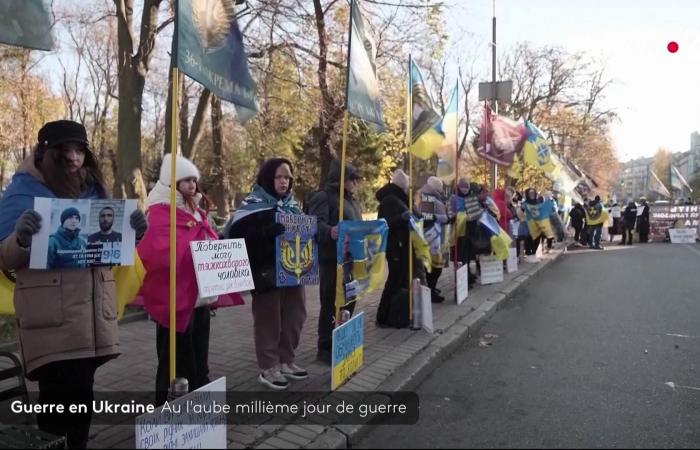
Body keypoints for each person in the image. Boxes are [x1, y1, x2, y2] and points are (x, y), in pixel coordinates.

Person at [0, 120, 147, 448]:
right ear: (45, 152)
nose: (73, 157)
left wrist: (132, 235)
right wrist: (20, 238)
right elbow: (6, 261)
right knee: (57, 404)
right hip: (52, 319)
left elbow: (105, 254)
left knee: (80, 399)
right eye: (64, 150)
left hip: (91, 317)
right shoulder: (22, 192)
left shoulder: (95, 190)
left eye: (79, 150)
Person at [139, 154, 240, 403]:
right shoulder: (160, 213)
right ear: (171, 183)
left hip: (199, 299)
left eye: (193, 180)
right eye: (185, 180)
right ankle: (168, 409)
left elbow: (206, 244)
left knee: (198, 355)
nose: (192, 185)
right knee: (174, 360)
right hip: (173, 301)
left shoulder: (196, 211)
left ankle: (199, 407)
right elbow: (156, 252)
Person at [227, 158, 307, 389]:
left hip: (294, 271)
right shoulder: (252, 205)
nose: (284, 182)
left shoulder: (293, 206)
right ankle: (268, 366)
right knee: (268, 320)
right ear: (268, 178)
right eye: (279, 177)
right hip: (266, 273)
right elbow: (237, 237)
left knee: (295, 316)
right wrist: (265, 232)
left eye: (287, 178)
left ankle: (286, 360)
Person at [306, 159, 362, 365]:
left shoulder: (352, 201)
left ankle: (342, 337)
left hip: (350, 259)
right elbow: (313, 223)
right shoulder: (324, 197)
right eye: (352, 178)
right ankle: (325, 346)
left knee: (350, 298)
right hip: (331, 260)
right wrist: (329, 231)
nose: (355, 182)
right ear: (341, 179)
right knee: (330, 302)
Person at [375, 169, 425, 327]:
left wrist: (415, 214)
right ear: (402, 186)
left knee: (402, 280)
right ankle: (382, 316)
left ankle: (397, 314)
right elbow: (384, 223)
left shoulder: (402, 199)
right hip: (396, 247)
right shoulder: (389, 200)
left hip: (404, 245)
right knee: (394, 281)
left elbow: (413, 215)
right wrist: (401, 218)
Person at [449, 178, 485, 286]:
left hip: (471, 230)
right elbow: (451, 213)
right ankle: (463, 280)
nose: (464, 190)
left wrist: (476, 214)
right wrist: (463, 216)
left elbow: (477, 211)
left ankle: (469, 275)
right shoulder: (454, 198)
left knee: (470, 255)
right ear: (459, 187)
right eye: (462, 187)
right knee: (461, 257)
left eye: (466, 187)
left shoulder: (472, 197)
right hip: (460, 232)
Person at [418, 176, 449, 303]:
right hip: (432, 239)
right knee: (435, 267)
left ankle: (432, 288)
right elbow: (428, 218)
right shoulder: (427, 198)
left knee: (434, 266)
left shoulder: (429, 196)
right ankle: (430, 291)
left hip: (435, 236)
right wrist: (444, 218)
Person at [522, 188, 555, 259]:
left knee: (537, 238)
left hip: (538, 225)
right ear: (527, 194)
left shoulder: (538, 202)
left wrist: (548, 203)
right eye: (530, 193)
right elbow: (522, 212)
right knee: (529, 238)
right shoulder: (525, 204)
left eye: (533, 193)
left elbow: (542, 210)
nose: (532, 195)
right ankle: (528, 253)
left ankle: (533, 253)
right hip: (530, 225)